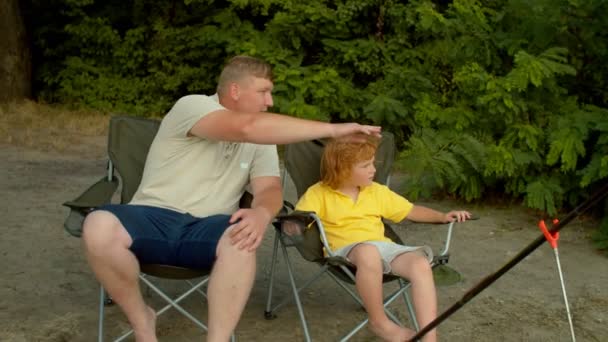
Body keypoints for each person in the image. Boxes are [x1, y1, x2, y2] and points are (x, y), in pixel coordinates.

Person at [81, 55, 382, 342]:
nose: (270, 101)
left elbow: (269, 190)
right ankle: (142, 322)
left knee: (242, 239)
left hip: (209, 228)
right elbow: (245, 128)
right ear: (235, 90)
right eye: (264, 92)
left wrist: (262, 213)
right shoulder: (192, 106)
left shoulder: (261, 141)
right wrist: (333, 129)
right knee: (98, 225)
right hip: (152, 216)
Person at [294, 138, 471, 342]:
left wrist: (442, 216)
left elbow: (411, 211)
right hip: (346, 250)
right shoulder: (319, 193)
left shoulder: (376, 191)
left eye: (373, 163)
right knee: (368, 252)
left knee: (420, 264)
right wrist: (292, 225)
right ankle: (379, 322)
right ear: (341, 169)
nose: (373, 170)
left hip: (383, 248)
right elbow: (301, 219)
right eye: (365, 165)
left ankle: (429, 337)